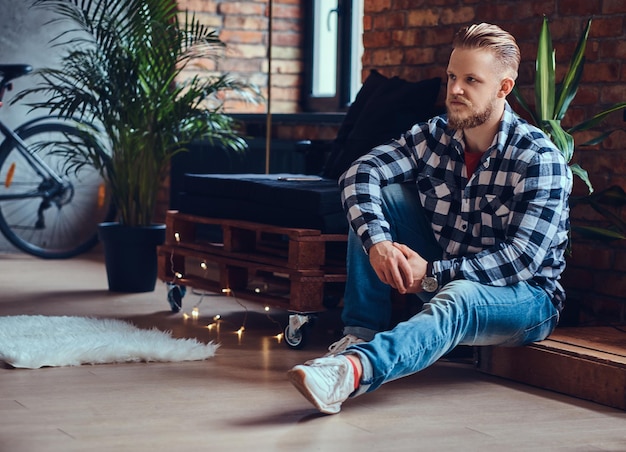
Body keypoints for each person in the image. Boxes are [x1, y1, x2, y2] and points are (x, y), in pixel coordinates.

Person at [287, 23, 572, 415]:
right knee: (379, 198)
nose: (455, 89)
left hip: (525, 300)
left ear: (503, 88)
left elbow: (521, 261)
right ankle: (359, 334)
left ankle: (353, 370)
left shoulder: (539, 160)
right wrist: (380, 246)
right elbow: (359, 173)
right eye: (453, 76)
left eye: (471, 80)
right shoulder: (435, 135)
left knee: (463, 295)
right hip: (441, 271)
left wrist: (434, 273)